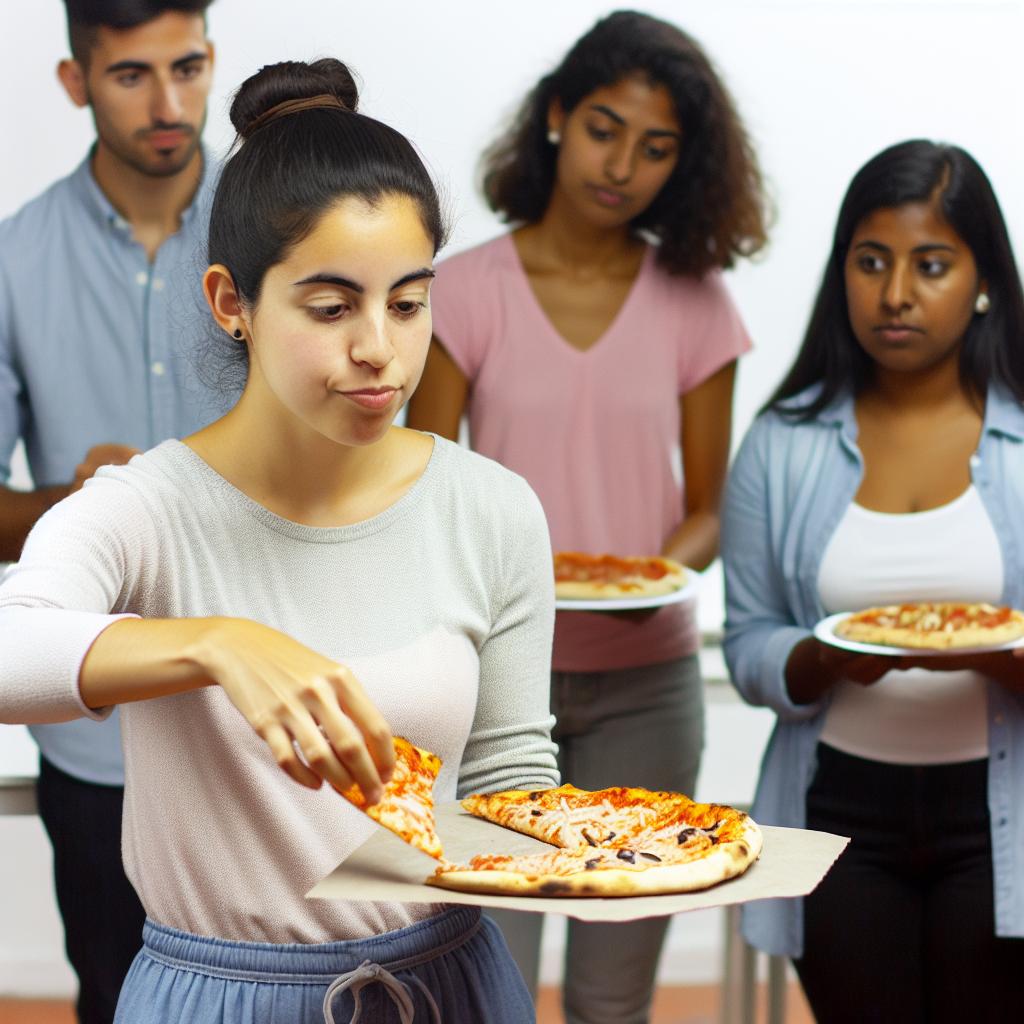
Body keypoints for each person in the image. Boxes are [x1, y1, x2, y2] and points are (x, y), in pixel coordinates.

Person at [0, 56, 559, 1023]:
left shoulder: (493, 508)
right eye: (332, 307)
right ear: (232, 302)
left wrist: (611, 858)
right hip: (216, 997)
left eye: (409, 302)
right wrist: (219, 643)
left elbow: (512, 787)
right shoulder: (147, 507)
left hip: (451, 985)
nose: (380, 348)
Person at [406, 10, 767, 1022]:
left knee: (614, 995)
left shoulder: (696, 301)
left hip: (649, 682)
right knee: (493, 980)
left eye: (657, 149)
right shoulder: (464, 290)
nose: (624, 166)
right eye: (605, 128)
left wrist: (644, 576)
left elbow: (708, 511)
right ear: (558, 114)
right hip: (494, 687)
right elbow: (425, 484)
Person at [722, 140, 1024, 1022]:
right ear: (841, 274)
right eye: (871, 262)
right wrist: (823, 657)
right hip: (836, 813)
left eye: (931, 265)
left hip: (999, 815)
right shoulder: (782, 440)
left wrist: (1005, 656)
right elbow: (747, 644)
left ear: (981, 282)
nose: (896, 295)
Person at [0, 2, 221, 1020]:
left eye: (188, 66)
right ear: (73, 81)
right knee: (118, 998)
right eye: (133, 75)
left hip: (273, 721)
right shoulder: (14, 258)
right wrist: (66, 507)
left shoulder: (287, 227)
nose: (170, 104)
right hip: (96, 738)